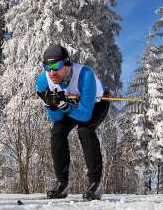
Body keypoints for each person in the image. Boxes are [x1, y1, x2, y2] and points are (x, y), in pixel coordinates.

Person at [36, 44, 110, 200]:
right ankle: (62, 184)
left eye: (56, 66)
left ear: (67, 64)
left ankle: (95, 184)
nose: (52, 72)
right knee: (57, 131)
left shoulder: (85, 75)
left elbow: (84, 115)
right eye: (47, 67)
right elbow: (55, 118)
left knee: (85, 130)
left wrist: (64, 105)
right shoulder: (43, 81)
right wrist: (53, 106)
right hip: (71, 105)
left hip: (96, 104)